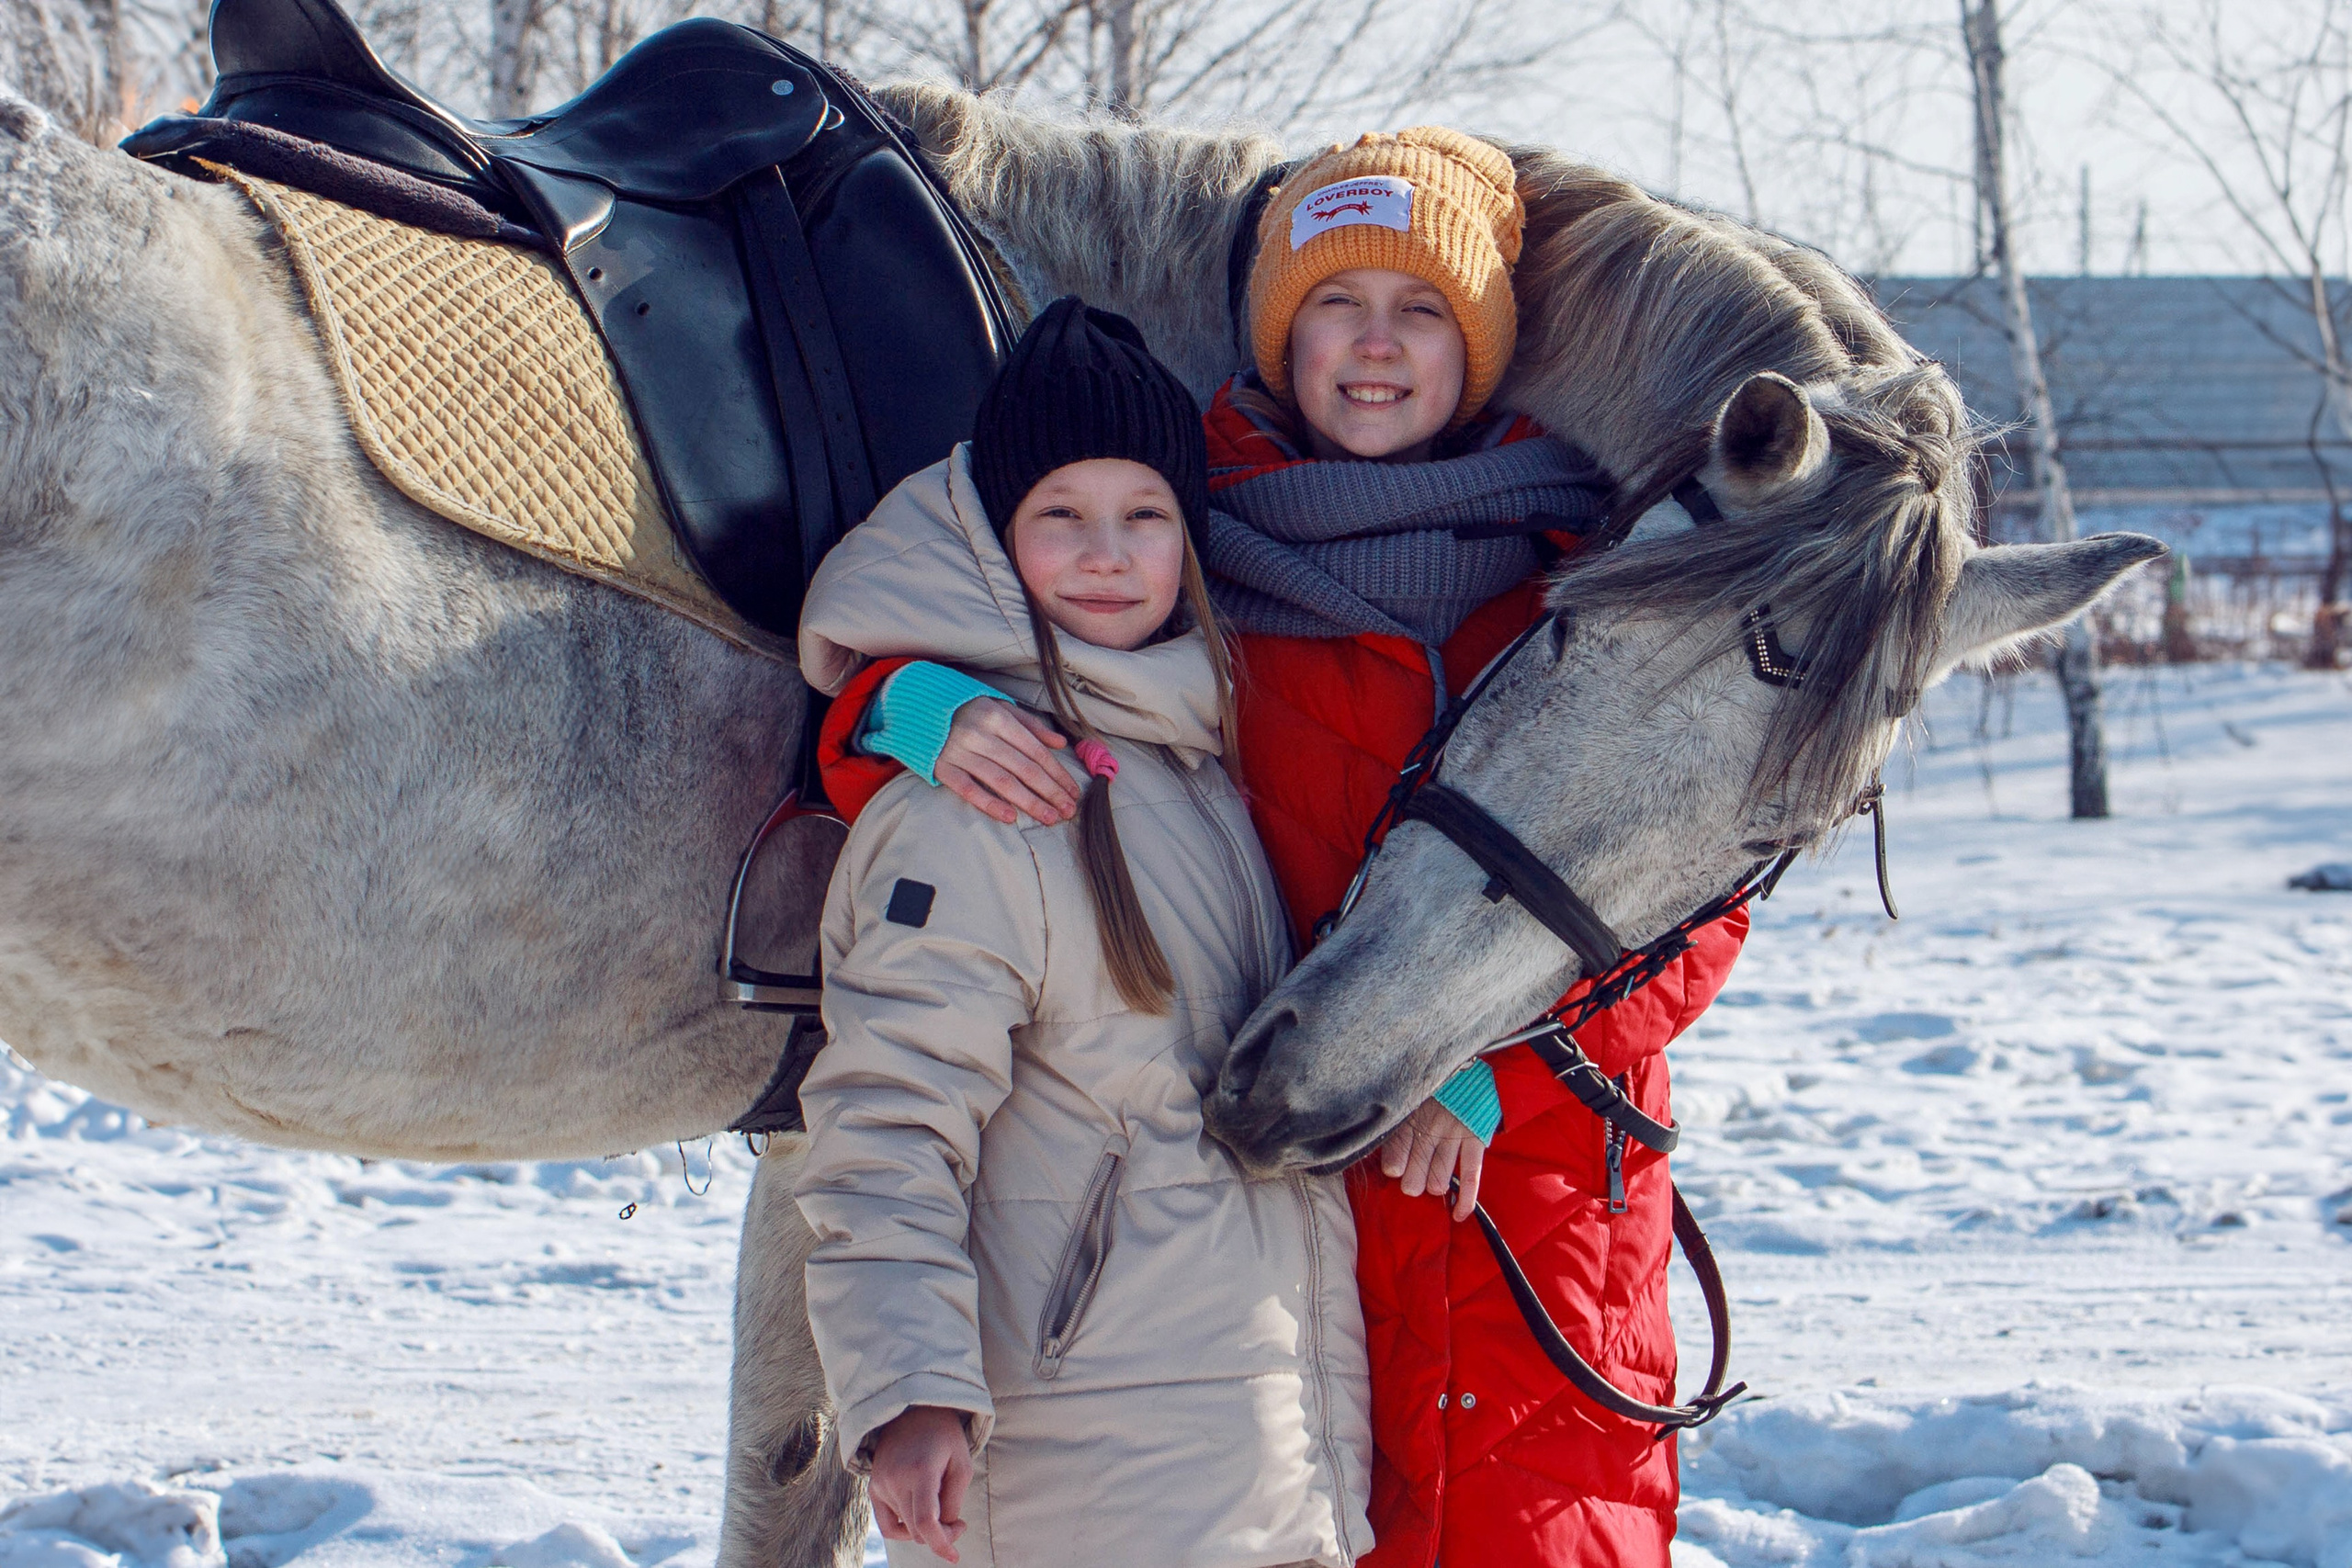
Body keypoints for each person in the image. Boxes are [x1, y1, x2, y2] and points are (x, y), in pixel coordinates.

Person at [820, 131, 1747, 1567]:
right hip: (1286, 1227)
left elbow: (1701, 892)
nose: (1375, 347)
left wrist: (1503, 1054)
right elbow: (1042, 702)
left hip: (1530, 1193)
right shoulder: (1199, 568)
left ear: (1484, 343)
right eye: (1334, 303)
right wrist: (895, 704)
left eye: (1423, 307)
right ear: (1276, 335)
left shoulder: (1596, 585)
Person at [792, 298, 1372, 1568]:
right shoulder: (982, 799)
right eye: (1061, 514)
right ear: (996, 536)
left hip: (1253, 1444)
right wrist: (908, 1391)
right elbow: (885, 1120)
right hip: (1078, 1470)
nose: (1107, 553)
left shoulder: (1200, 765)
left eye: (1145, 516)